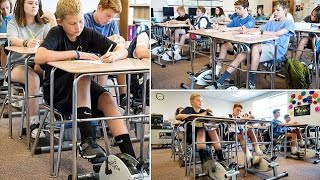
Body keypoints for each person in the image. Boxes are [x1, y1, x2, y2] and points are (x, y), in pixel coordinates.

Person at [35, 0, 138, 161]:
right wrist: (76, 54)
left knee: (107, 98)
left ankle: (130, 155)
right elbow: (39, 56)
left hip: (82, 93)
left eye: (81, 21)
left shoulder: (87, 33)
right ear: (61, 22)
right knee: (82, 76)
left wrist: (114, 55)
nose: (78, 27)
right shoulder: (56, 33)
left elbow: (122, 49)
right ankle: (87, 140)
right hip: (57, 92)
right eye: (73, 23)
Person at [208, 0, 294, 89]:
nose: (275, 12)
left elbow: (278, 33)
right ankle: (221, 81)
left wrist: (262, 32)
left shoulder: (289, 23)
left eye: (278, 10)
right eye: (274, 10)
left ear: (285, 10)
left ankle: (251, 82)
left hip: (277, 49)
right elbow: (257, 30)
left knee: (255, 47)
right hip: (263, 48)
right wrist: (247, 30)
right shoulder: (271, 23)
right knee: (241, 55)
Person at [6, 0, 56, 138]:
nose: (34, 5)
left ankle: (55, 119)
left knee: (53, 73)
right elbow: (12, 39)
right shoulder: (14, 23)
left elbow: (56, 38)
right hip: (17, 65)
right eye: (30, 3)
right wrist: (26, 42)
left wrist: (52, 19)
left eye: (36, 3)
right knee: (33, 78)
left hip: (37, 63)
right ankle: (33, 123)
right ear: (22, 5)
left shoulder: (44, 25)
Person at [84, 0, 128, 106]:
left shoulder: (111, 23)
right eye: (108, 15)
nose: (109, 20)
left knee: (120, 58)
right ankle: (98, 100)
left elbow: (117, 45)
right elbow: (84, 46)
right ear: (99, 8)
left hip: (106, 59)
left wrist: (119, 40)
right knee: (104, 66)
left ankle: (124, 97)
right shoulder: (85, 20)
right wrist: (108, 40)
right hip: (89, 60)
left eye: (112, 17)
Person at [176, 93, 226, 176]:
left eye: (201, 101)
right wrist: (201, 114)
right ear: (192, 102)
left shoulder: (204, 111)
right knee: (201, 129)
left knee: (212, 130)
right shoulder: (188, 109)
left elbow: (213, 119)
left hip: (205, 137)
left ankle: (221, 159)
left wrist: (209, 114)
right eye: (198, 100)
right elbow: (178, 116)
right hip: (191, 135)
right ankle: (206, 161)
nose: (200, 102)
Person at [207, 0, 255, 80]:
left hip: (244, 46)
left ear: (246, 8)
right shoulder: (236, 19)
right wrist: (218, 27)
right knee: (218, 42)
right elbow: (226, 27)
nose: (236, 10)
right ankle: (216, 70)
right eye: (235, 8)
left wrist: (229, 29)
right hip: (234, 44)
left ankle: (216, 70)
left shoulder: (251, 19)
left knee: (224, 45)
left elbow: (242, 28)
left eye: (239, 8)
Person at [0, 0, 13, 69]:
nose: (5, 11)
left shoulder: (15, 18)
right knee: (3, 46)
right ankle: (4, 71)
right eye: (2, 9)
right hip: (1, 42)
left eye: (7, 8)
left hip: (11, 41)